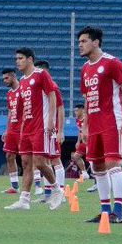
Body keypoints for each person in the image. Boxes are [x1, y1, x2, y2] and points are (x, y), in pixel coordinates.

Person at [78, 26, 122, 224]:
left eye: (84, 41)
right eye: (79, 42)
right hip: (94, 124)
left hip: (112, 121)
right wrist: (85, 126)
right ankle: (105, 211)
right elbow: (87, 99)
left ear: (96, 42)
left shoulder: (112, 63)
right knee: (97, 166)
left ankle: (118, 211)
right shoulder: (85, 69)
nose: (80, 45)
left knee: (112, 163)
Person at [4, 47, 64, 211]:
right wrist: (22, 127)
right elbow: (24, 108)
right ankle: (24, 199)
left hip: (41, 126)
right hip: (27, 128)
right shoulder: (23, 81)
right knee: (25, 163)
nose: (17, 61)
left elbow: (52, 95)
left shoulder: (41, 74)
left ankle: (57, 190)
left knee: (40, 163)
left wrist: (51, 121)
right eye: (16, 59)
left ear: (30, 59)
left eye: (21, 58)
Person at [34, 59, 67, 202]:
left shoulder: (52, 86)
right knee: (45, 160)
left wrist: (60, 131)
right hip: (43, 128)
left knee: (55, 159)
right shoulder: (41, 87)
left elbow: (61, 108)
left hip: (52, 129)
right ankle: (48, 194)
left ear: (44, 71)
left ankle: (61, 193)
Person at [0, 69, 22, 194]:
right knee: (9, 156)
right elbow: (10, 112)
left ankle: (39, 186)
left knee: (28, 158)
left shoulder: (23, 90)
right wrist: (7, 130)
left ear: (13, 76)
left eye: (6, 78)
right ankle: (15, 186)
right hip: (12, 129)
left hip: (23, 129)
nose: (4, 81)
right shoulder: (9, 93)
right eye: (3, 79)